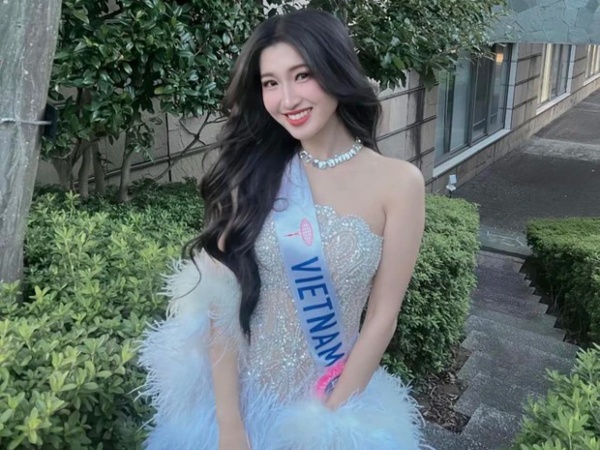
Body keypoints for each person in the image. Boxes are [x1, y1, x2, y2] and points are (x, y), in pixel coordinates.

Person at [138, 8, 428, 450]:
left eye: (302, 75)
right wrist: (230, 428)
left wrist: (324, 426)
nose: (287, 99)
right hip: (237, 409)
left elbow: (382, 318)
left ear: (335, 70)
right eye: (270, 83)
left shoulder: (400, 183)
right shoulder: (253, 174)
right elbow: (220, 306)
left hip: (329, 408)